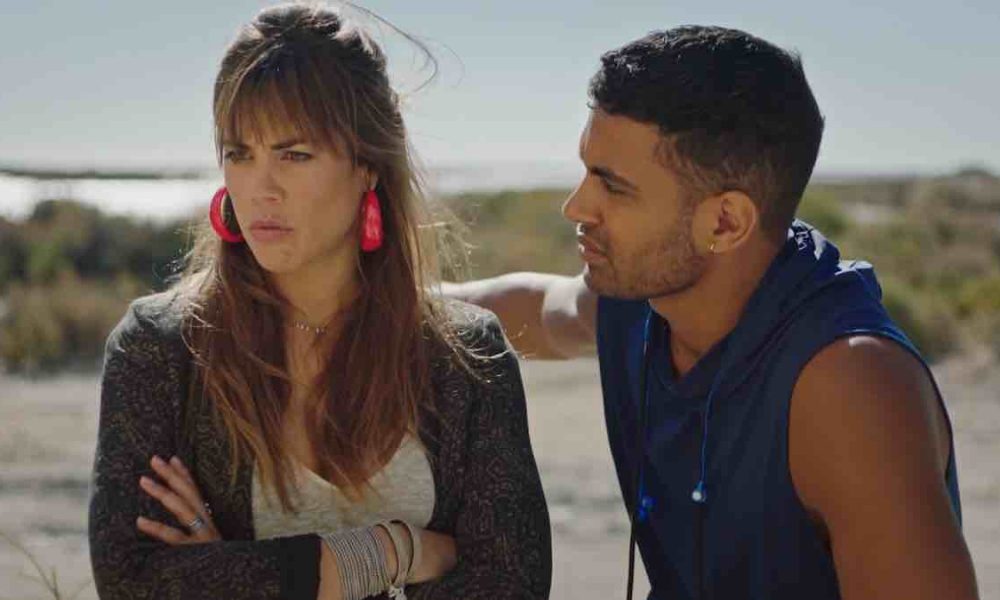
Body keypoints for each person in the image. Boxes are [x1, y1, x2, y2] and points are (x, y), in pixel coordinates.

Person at [445, 26, 979, 600]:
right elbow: (534, 308)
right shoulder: (637, 302)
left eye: (613, 187)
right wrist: (389, 298)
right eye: (586, 170)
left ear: (725, 222)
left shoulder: (852, 386)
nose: (576, 206)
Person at [88, 4, 551, 599]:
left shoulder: (466, 356)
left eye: (295, 154)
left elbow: (513, 584)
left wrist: (235, 573)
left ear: (367, 166)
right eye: (240, 153)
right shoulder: (161, 349)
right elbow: (132, 581)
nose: (261, 188)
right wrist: (393, 552)